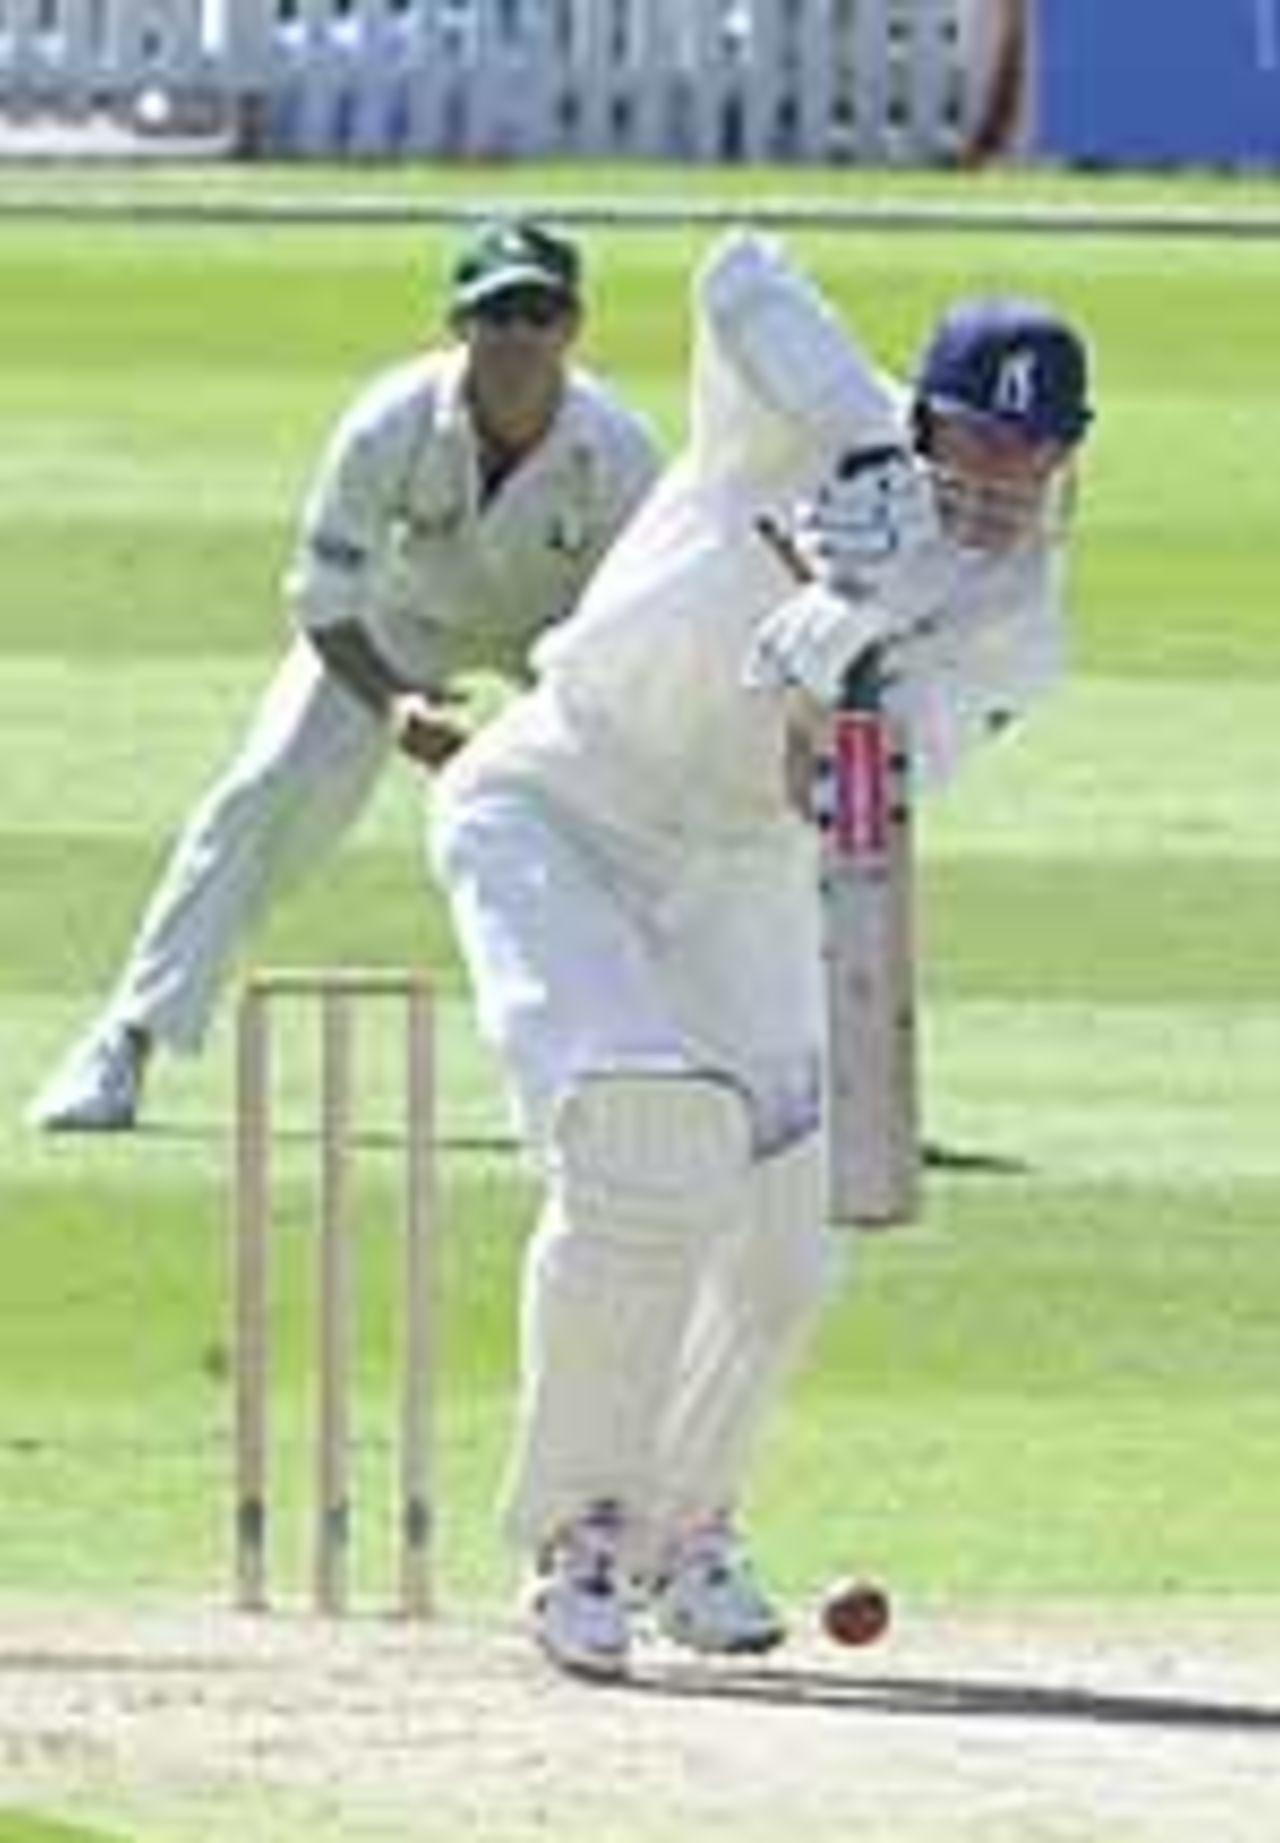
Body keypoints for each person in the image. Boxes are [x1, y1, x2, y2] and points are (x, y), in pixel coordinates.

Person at [428, 232, 1092, 1680]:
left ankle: (685, 1525)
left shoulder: (1015, 617)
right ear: (927, 413)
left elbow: (850, 800)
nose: (1011, 481)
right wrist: (856, 450)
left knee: (788, 1238)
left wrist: (840, 648)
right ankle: (579, 1536)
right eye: (986, 439)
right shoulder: (807, 417)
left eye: (1041, 455)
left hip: (741, 859)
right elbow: (739, 272)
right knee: (642, 1150)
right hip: (556, 801)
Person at [30, 216, 660, 1132]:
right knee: (262, 790)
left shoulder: (621, 452)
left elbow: (633, 624)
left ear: (572, 326)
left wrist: (561, 721)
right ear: (459, 324)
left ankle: (688, 1067)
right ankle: (125, 1042)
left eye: (537, 313)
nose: (517, 338)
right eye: (496, 315)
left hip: (556, 634)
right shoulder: (389, 421)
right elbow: (325, 598)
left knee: (651, 804)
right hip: (394, 626)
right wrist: (395, 705)